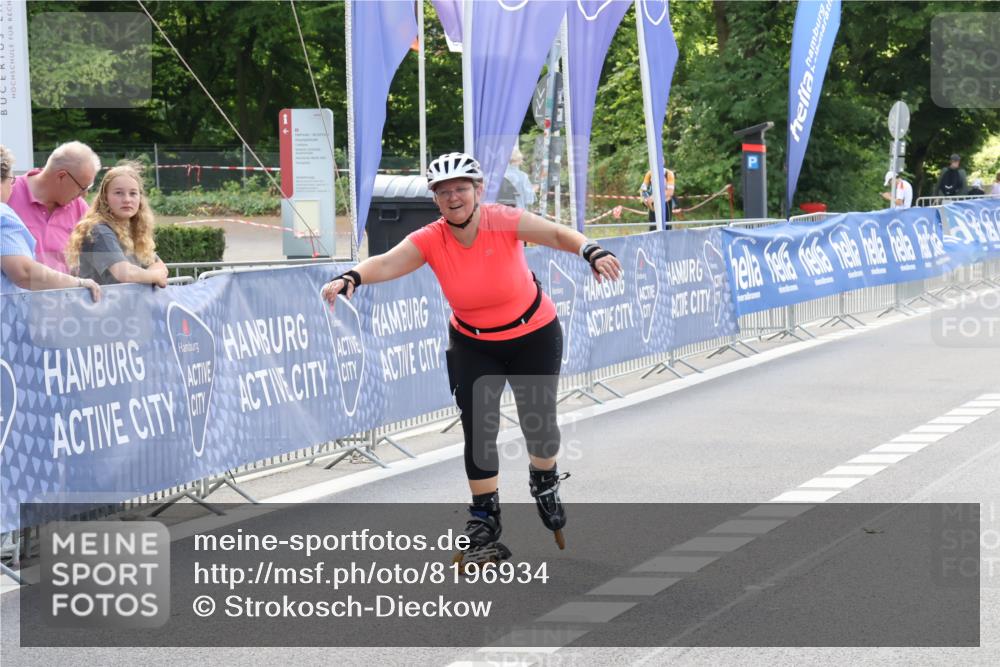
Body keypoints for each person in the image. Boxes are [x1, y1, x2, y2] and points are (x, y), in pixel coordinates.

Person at [320, 152, 622, 565]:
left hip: (533, 335)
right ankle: (484, 518)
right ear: (435, 199)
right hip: (472, 342)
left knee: (538, 424)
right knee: (479, 427)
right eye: (443, 192)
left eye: (461, 189)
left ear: (478, 190)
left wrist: (592, 251)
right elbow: (388, 262)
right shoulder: (431, 238)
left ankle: (544, 479)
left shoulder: (503, 219)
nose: (453, 198)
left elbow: (555, 233)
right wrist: (351, 276)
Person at [1, 145, 100, 300]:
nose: (85, 194)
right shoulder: (6, 198)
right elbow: (23, 272)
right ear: (61, 176)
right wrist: (78, 283)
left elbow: (103, 252)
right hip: (17, 309)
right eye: (82, 187)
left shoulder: (80, 208)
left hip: (61, 306)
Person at [64, 163, 168, 287]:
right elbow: (123, 273)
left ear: (140, 198)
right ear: (105, 197)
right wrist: (155, 276)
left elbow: (160, 266)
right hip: (100, 299)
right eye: (118, 193)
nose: (127, 199)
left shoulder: (134, 230)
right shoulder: (99, 230)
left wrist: (153, 274)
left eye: (133, 193)